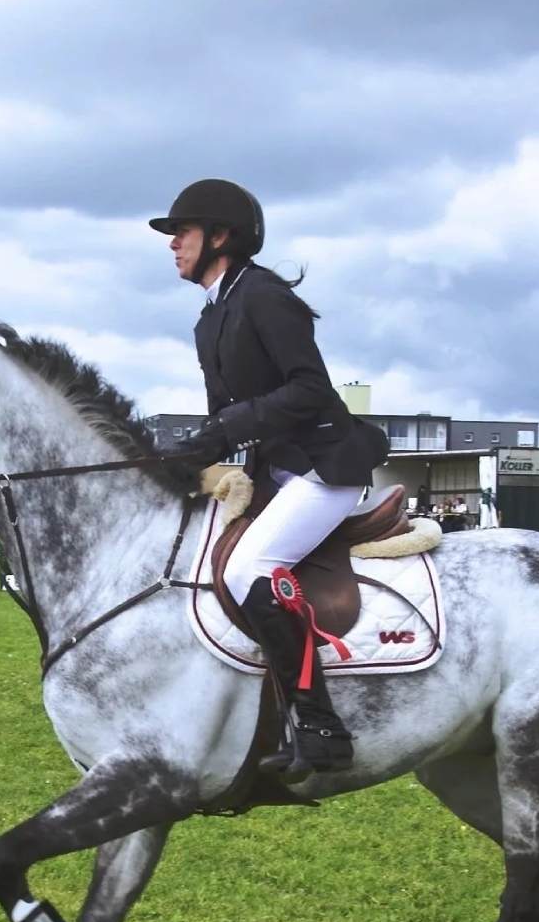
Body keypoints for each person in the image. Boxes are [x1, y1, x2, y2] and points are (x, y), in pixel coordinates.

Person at [152, 179, 389, 777]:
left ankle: (317, 723)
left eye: (182, 232)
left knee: (246, 568)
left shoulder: (263, 296)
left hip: (324, 468)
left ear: (221, 236)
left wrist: (225, 427)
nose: (173, 243)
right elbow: (222, 419)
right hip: (274, 474)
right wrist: (188, 459)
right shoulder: (209, 322)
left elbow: (309, 389)